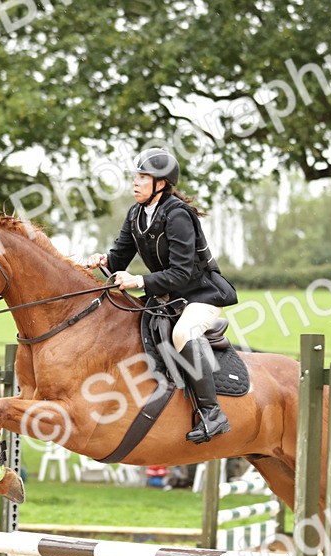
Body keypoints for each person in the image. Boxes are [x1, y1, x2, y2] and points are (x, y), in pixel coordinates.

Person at [89, 148, 239, 444]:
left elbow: (183, 274)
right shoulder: (136, 214)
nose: (135, 182)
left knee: (183, 333)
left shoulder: (178, 215)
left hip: (200, 296)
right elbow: (118, 259)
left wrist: (140, 280)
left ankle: (212, 413)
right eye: (135, 176)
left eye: (143, 177)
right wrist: (101, 260)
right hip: (168, 299)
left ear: (161, 183)